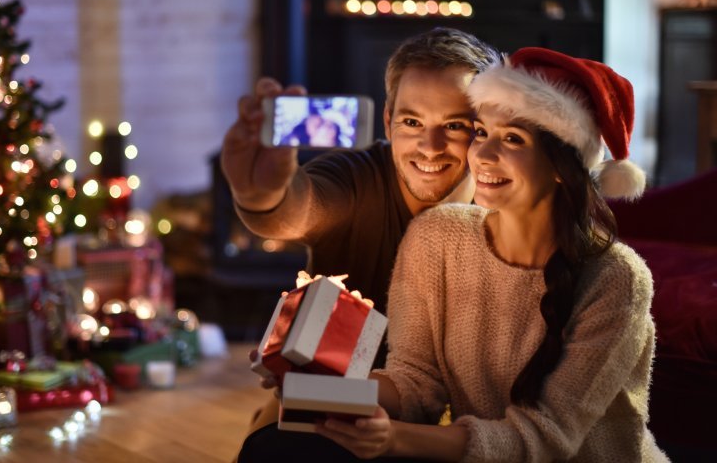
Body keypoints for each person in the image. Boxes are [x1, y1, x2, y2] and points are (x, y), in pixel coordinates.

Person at [242, 47, 666, 461]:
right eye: (481, 132)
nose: (481, 153)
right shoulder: (437, 235)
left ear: (562, 165)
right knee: (274, 448)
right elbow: (415, 382)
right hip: (471, 452)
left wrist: (394, 440)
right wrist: (317, 388)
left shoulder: (617, 279)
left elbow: (548, 438)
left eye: (512, 138)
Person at [222, 27, 501, 459]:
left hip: (460, 432)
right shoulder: (358, 179)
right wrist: (258, 193)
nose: (431, 147)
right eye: (412, 122)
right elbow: (301, 208)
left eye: (455, 125)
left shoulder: (505, 206)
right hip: (335, 419)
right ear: (388, 119)